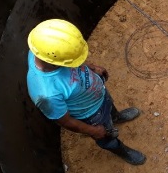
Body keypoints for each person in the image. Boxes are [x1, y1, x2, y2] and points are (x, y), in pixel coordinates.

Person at [26, 19, 146, 165]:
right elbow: (66, 121)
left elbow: (72, 61)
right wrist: (92, 131)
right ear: (52, 60)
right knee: (106, 137)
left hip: (97, 93)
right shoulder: (47, 94)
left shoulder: (42, 48)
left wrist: (92, 68)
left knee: (110, 106)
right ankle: (122, 151)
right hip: (91, 114)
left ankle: (116, 117)